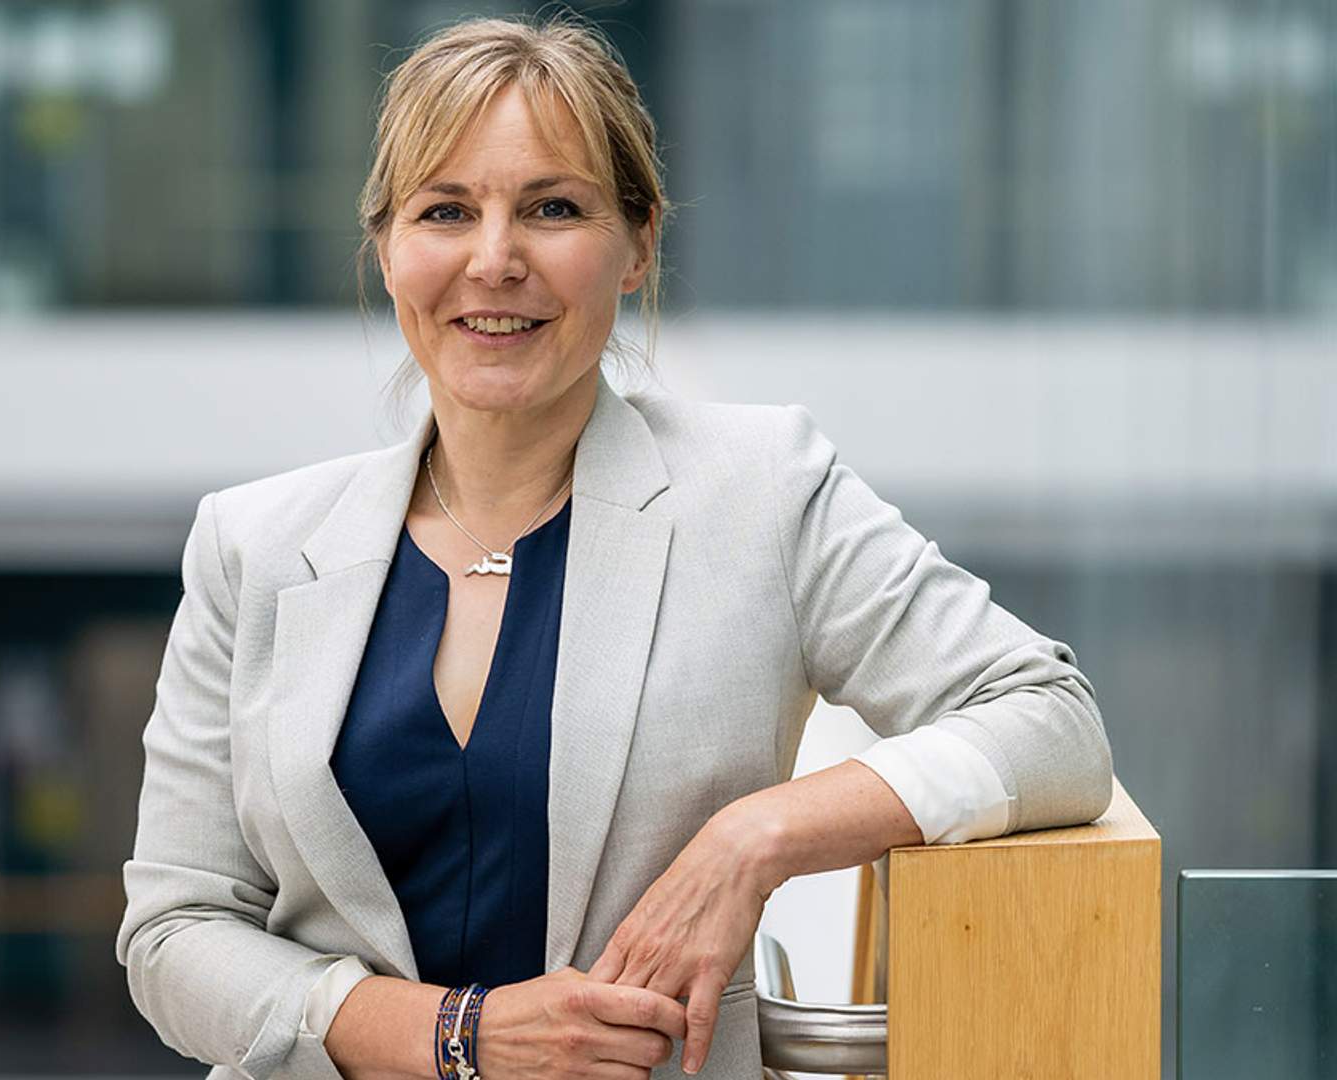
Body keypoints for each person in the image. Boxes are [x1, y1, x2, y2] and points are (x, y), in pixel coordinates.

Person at [116, 15, 1113, 1080]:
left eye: (552, 208)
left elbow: (1051, 719)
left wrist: (755, 839)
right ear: (388, 251)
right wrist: (456, 1037)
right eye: (446, 211)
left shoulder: (764, 491)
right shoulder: (253, 548)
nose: (494, 260)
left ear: (638, 244)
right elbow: (173, 934)